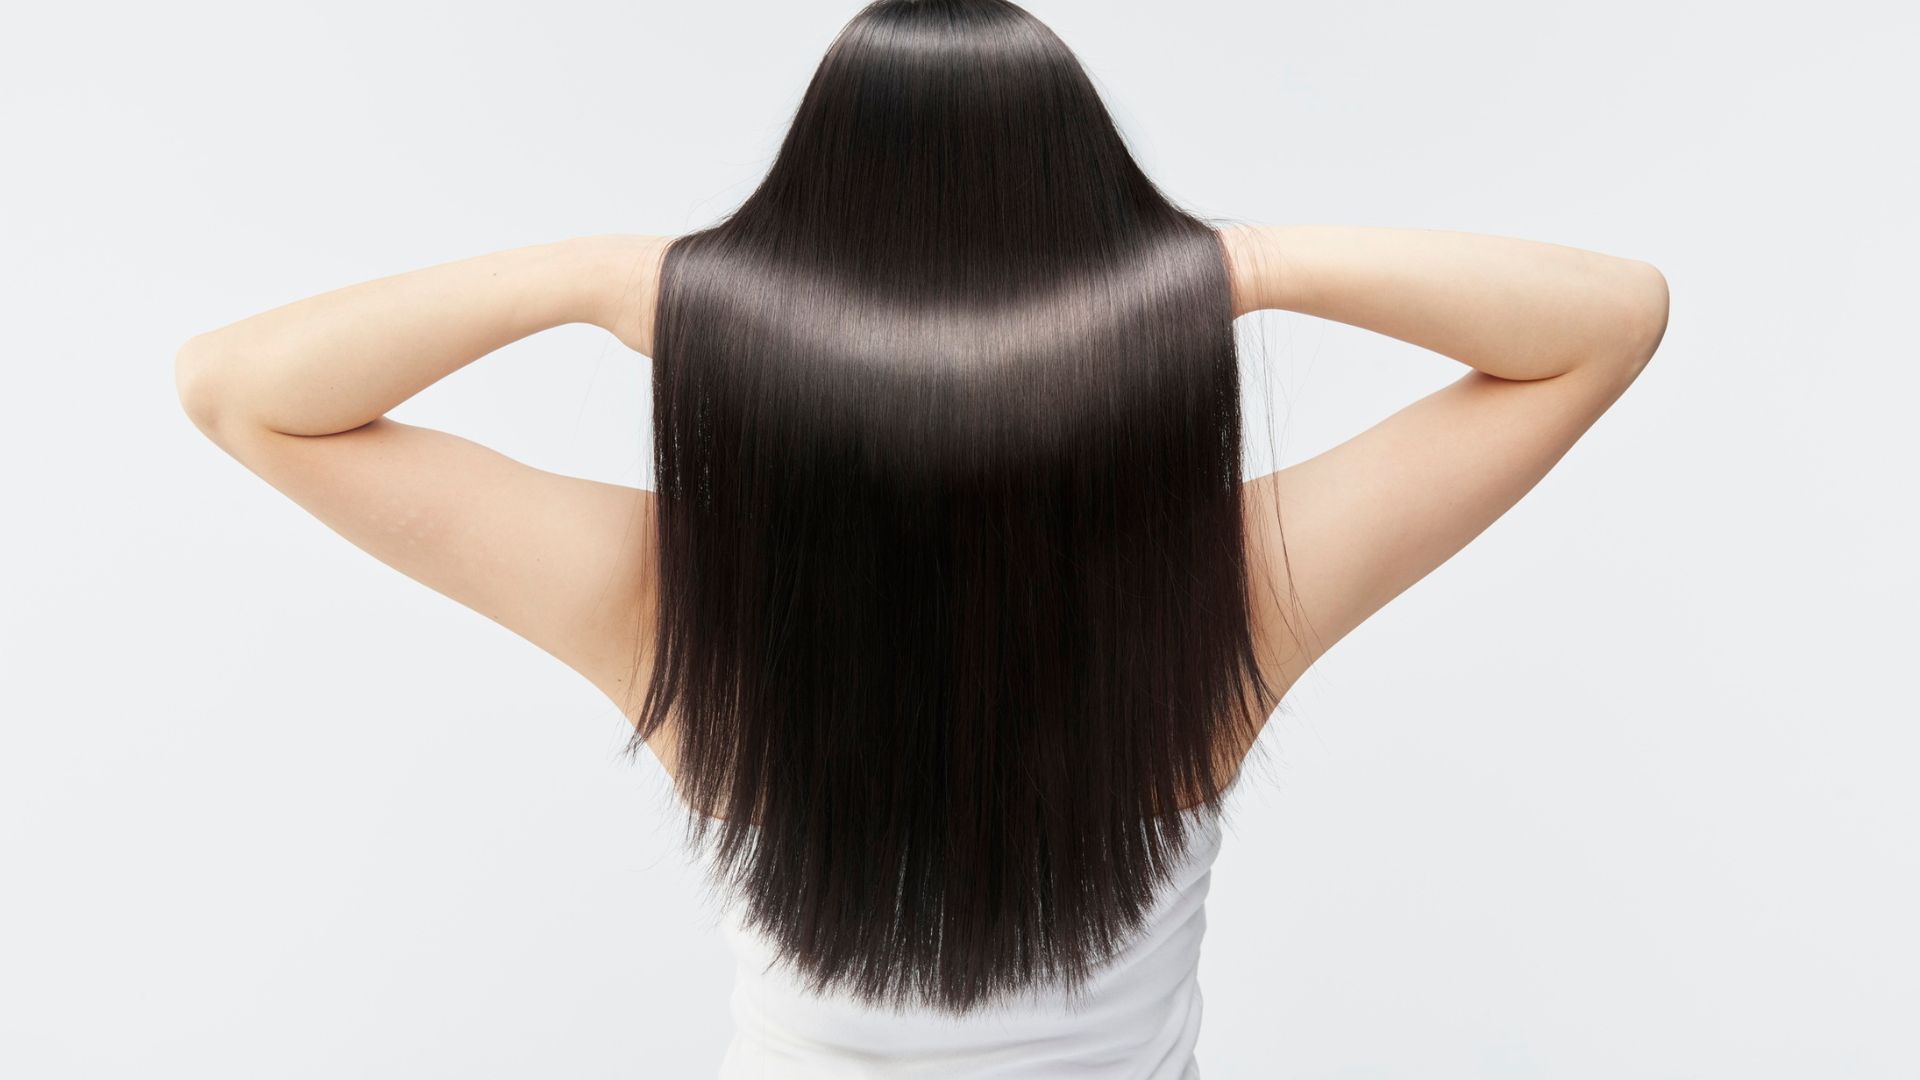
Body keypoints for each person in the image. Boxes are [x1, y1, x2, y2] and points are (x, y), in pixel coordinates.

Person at [173, 0, 1668, 1075]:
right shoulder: (1225, 601)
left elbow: (243, 394)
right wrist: (1215, 273)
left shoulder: (669, 604)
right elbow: (1608, 324)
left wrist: (609, 279)